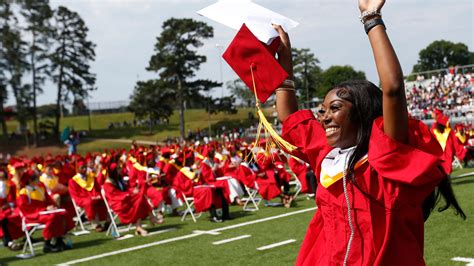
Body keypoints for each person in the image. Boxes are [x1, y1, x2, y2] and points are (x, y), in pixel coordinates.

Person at [273, 1, 465, 265]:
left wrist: (371, 18)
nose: (324, 115)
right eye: (322, 109)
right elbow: (291, 118)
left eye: (335, 108)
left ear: (363, 113)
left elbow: (394, 88)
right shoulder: (326, 156)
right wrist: (284, 65)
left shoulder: (387, 160)